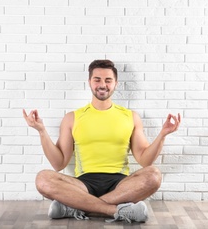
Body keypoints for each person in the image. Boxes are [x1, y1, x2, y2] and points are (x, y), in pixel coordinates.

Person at [23, 59, 181, 223]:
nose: (102, 84)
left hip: (121, 185)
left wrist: (162, 135)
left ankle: (76, 207)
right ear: (89, 82)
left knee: (154, 175)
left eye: (108, 80)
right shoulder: (72, 118)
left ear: (116, 84)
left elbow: (145, 160)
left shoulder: (130, 117)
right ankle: (116, 211)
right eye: (97, 79)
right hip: (83, 185)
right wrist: (41, 131)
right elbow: (59, 163)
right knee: (42, 179)